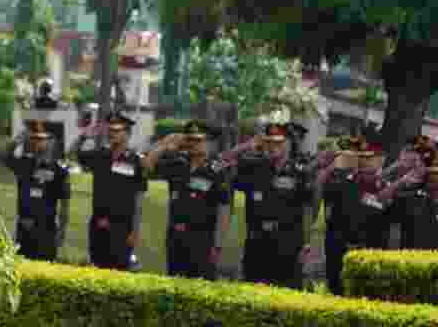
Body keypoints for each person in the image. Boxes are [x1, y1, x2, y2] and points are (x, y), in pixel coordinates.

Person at [223, 123, 314, 289]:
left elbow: (308, 209)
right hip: (257, 242)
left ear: (288, 143)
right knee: (253, 294)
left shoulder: (300, 172)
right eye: (269, 142)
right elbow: (222, 162)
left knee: (287, 296)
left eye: (279, 142)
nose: (273, 147)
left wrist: (307, 243)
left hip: (288, 243)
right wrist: (248, 144)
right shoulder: (252, 167)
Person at [144, 120, 232, 280]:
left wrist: (218, 245)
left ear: (209, 142)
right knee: (174, 284)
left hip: (201, 239)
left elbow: (224, 209)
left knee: (201, 287)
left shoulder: (218, 169)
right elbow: (147, 166)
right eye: (190, 139)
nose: (193, 144)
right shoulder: (177, 163)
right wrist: (165, 143)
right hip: (175, 236)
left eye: (198, 140)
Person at [319, 139, 399, 294]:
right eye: (363, 158)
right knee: (337, 293)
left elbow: (393, 226)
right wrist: (332, 165)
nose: (367, 163)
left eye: (372, 159)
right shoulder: (342, 183)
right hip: (340, 254)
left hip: (370, 255)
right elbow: (317, 190)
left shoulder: (386, 190)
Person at [71, 111, 147, 270]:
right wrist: (85, 135)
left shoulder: (136, 161)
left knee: (119, 272)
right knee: (97, 269)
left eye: (117, 130)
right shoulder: (100, 155)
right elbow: (73, 154)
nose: (112, 133)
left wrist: (135, 231)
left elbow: (138, 199)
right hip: (97, 225)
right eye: (110, 130)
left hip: (121, 228)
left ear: (127, 133)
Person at [2, 120, 71, 261]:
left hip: (46, 230)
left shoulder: (59, 171)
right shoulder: (25, 163)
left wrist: (62, 231)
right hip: (24, 228)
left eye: (40, 139)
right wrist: (17, 140)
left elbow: (64, 204)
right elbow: (4, 157)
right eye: (33, 138)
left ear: (51, 141)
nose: (35, 142)